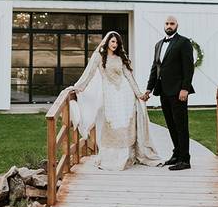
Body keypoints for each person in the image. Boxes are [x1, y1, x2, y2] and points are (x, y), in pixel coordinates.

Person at [69, 31, 161, 171]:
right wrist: (78, 87)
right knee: (112, 122)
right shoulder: (99, 57)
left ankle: (127, 156)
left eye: (117, 42)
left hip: (125, 94)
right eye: (112, 41)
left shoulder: (120, 57)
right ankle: (111, 158)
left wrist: (138, 94)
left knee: (125, 123)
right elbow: (89, 74)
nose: (115, 44)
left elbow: (129, 76)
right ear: (107, 42)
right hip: (110, 94)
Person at [141, 15, 195, 170]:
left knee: (181, 125)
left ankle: (185, 160)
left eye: (172, 23)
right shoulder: (158, 44)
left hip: (179, 91)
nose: (169, 25)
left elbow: (188, 68)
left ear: (177, 25)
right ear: (164, 25)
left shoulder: (183, 42)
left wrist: (185, 88)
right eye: (167, 23)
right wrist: (148, 89)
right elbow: (155, 69)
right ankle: (177, 154)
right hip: (163, 91)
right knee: (171, 125)